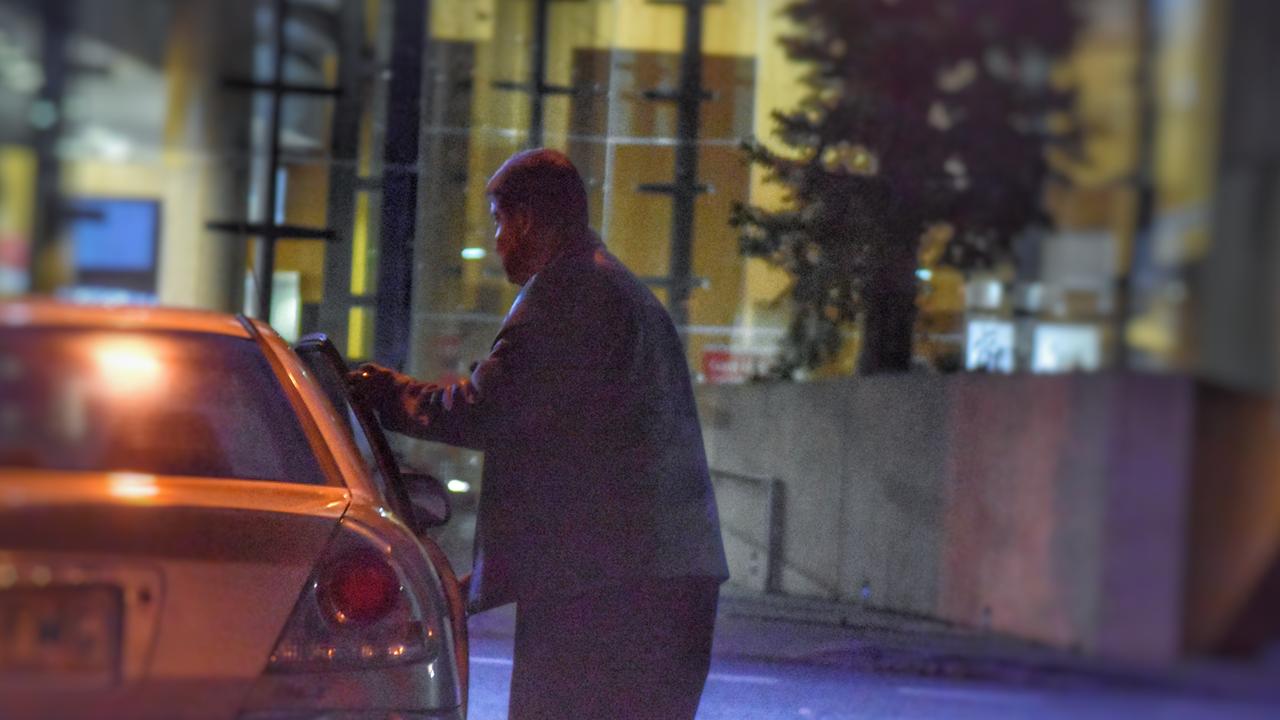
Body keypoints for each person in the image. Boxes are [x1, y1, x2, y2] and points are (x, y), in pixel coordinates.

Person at [348, 148, 729, 720]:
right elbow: (585, 453)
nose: (498, 239)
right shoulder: (621, 292)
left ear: (525, 219)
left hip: (607, 596)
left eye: (499, 221)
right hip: (659, 584)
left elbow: (485, 409)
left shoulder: (568, 291)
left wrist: (383, 393)